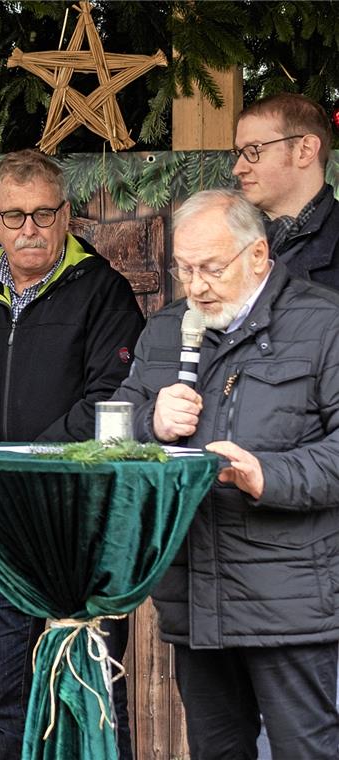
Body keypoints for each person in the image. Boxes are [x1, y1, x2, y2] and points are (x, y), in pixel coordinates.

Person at [109, 188, 339, 759]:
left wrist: (270, 475)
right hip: (194, 595)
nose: (196, 286)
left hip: (293, 601)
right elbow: (108, 437)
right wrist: (150, 421)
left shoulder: (323, 323)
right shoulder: (166, 330)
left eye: (211, 268)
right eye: (184, 269)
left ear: (258, 255)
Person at [0, 149, 143, 760]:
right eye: (14, 216)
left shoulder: (104, 293)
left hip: (79, 529)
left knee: (88, 695)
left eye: (43, 214)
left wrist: (28, 464)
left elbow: (112, 402)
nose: (29, 228)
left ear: (67, 214)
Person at [233, 92, 339, 287]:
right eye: (239, 153)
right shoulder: (232, 242)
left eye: (253, 151)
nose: (238, 169)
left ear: (305, 150)